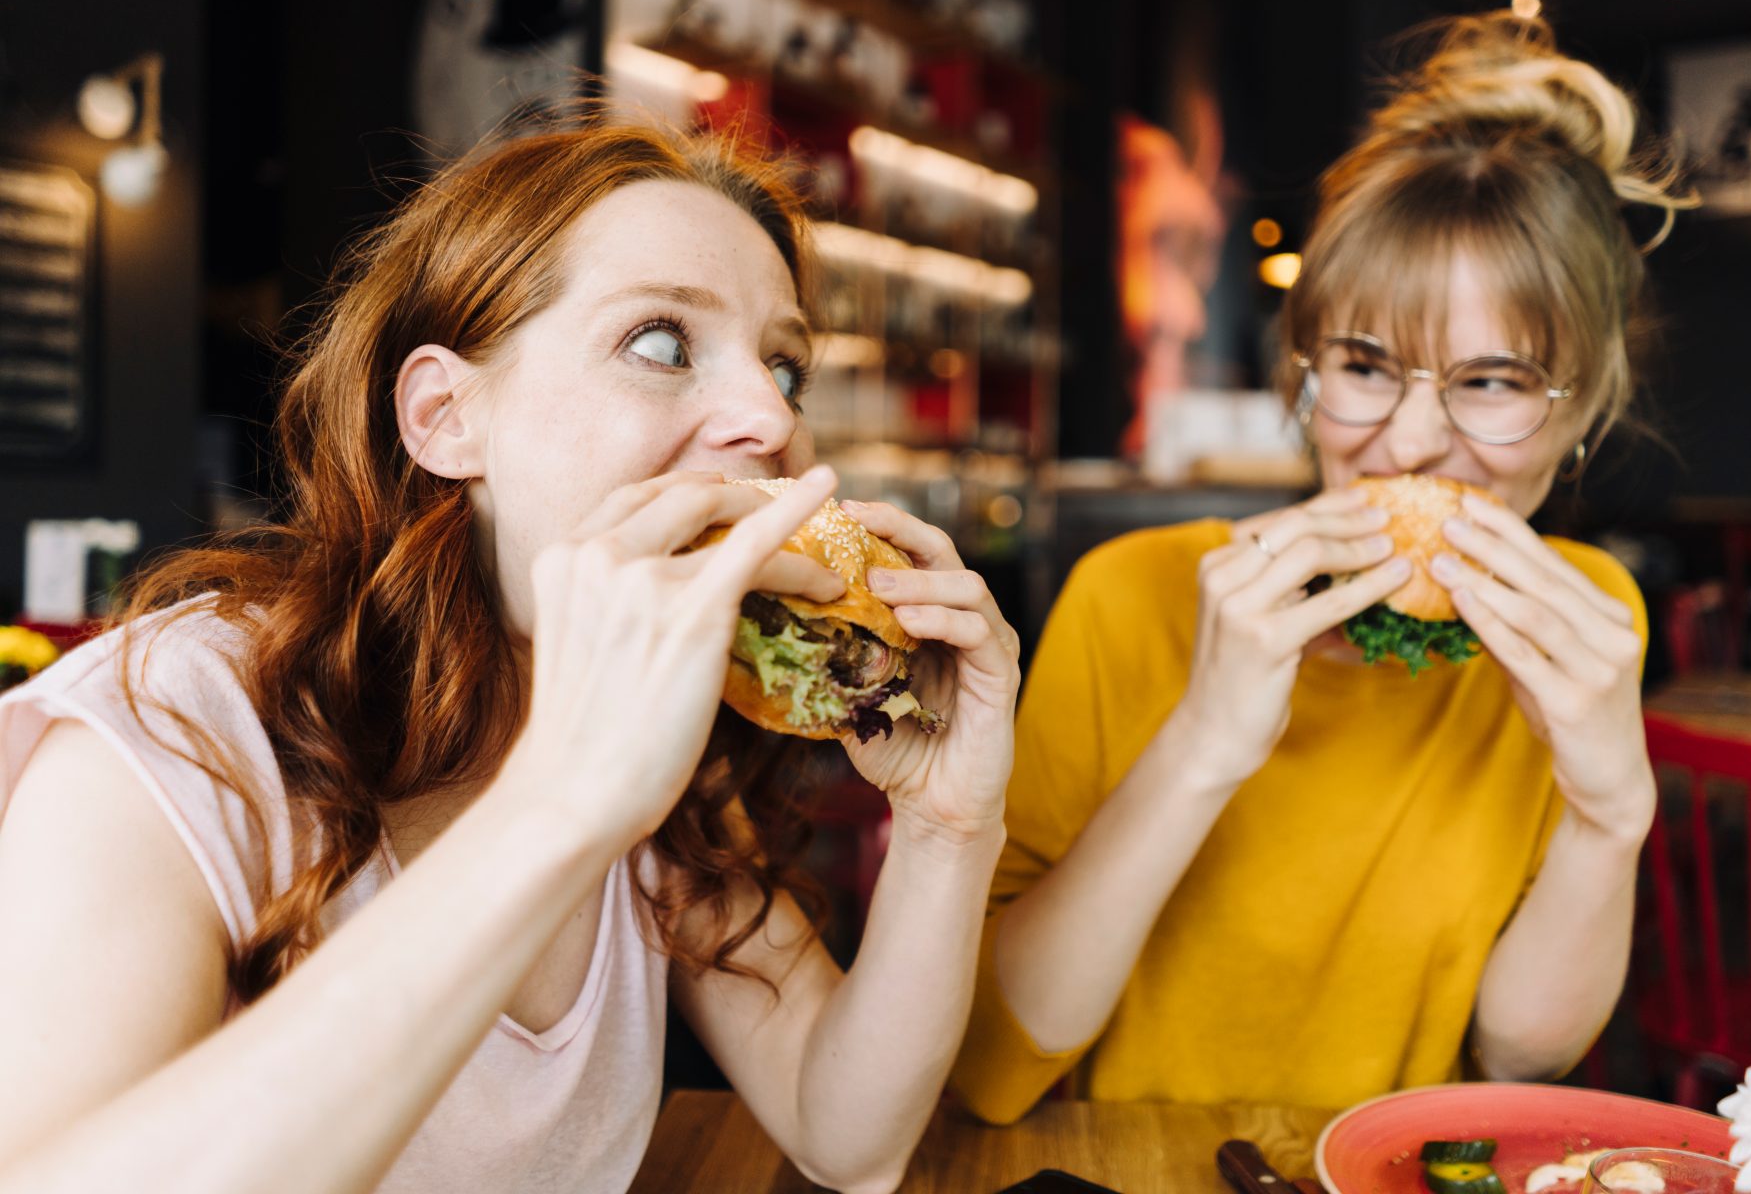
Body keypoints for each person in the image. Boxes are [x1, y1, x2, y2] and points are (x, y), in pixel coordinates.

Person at [0, 122, 1020, 1193]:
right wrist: (559, 804)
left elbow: (846, 1129)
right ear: (445, 418)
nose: (770, 417)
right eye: (663, 342)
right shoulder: (172, 728)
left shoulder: (659, 758)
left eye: (784, 367)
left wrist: (951, 828)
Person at [951, 12, 1692, 1171]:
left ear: (1584, 410)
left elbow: (1517, 1059)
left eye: (1489, 379)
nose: (1407, 441)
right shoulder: (1133, 593)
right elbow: (991, 1061)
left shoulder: (1586, 623)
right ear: (1302, 373)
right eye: (1362, 365)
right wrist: (1204, 740)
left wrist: (1611, 816)